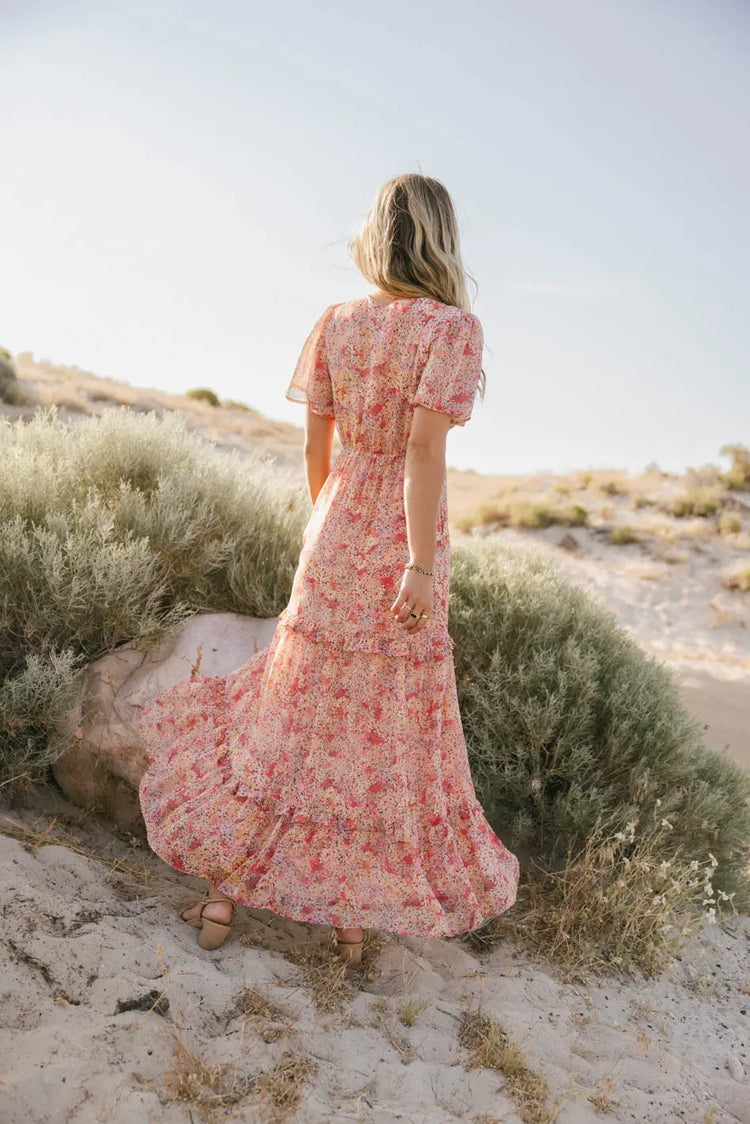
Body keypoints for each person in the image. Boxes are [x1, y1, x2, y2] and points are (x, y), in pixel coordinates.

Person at [137, 172, 520, 966]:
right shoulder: (452, 330)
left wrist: (330, 527)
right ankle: (350, 920)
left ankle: (221, 897)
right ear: (442, 237)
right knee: (376, 732)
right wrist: (416, 562)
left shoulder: (336, 323)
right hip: (400, 542)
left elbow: (318, 449)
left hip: (334, 529)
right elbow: (422, 451)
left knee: (293, 715)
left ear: (375, 236)